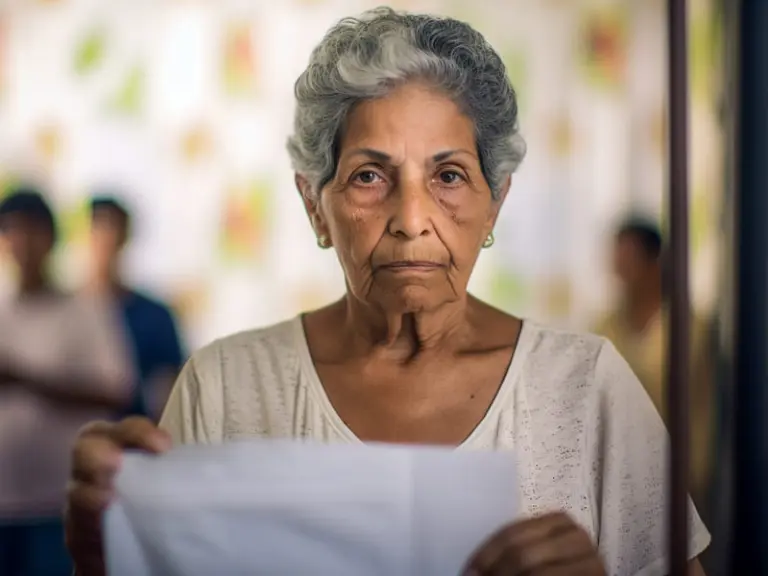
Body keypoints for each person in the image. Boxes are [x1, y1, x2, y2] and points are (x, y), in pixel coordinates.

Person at [66, 9, 709, 575]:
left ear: (494, 203)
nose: (411, 218)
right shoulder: (225, 388)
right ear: (315, 206)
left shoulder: (586, 389)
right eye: (370, 176)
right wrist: (104, 551)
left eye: (449, 175)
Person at [0, 188, 131, 576]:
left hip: (59, 502)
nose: (23, 243)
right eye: (12, 232)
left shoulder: (84, 310)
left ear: (52, 239)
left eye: (33, 231)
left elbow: (114, 390)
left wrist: (26, 379)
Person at [593, 218, 713, 505]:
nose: (622, 273)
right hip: (620, 479)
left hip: (680, 477)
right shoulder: (605, 326)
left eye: (630, 261)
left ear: (653, 263)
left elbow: (700, 408)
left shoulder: (689, 329)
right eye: (618, 263)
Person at [85, 195, 185, 421]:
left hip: (134, 432)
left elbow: (167, 387)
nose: (105, 239)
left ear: (125, 237)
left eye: (112, 229)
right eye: (98, 228)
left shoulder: (155, 316)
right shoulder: (64, 312)